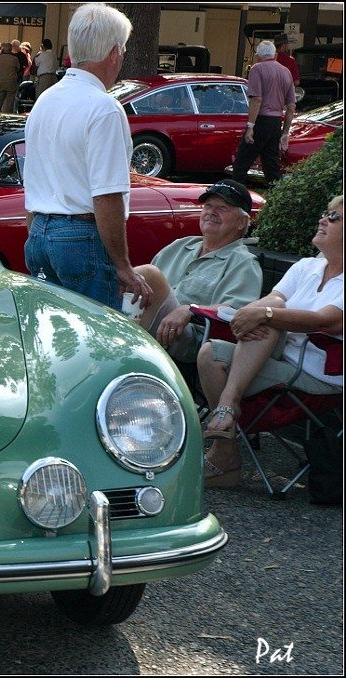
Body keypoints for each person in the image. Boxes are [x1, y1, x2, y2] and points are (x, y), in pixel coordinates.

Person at [196, 195, 343, 487]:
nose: (322, 219)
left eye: (334, 217)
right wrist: (255, 311)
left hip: (318, 373)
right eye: (324, 213)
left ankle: (227, 407)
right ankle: (227, 454)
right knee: (209, 354)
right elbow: (275, 298)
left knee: (272, 317)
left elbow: (327, 321)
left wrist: (263, 313)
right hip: (280, 356)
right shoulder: (306, 267)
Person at [23, 3, 151, 312]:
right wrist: (123, 265)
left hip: (40, 231)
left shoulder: (45, 101)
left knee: (51, 336)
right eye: (121, 50)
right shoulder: (104, 108)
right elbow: (106, 195)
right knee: (95, 343)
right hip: (79, 237)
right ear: (113, 53)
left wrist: (38, 229)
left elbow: (33, 179)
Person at [133, 180, 262, 363]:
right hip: (150, 323)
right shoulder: (180, 245)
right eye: (208, 206)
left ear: (242, 222)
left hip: (190, 338)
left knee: (148, 274)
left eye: (222, 208)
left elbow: (238, 312)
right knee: (130, 279)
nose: (211, 212)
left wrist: (191, 310)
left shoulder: (243, 263)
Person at [231, 40, 295, 186]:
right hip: (276, 121)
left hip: (261, 119)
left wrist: (250, 126)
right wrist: (285, 133)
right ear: (275, 54)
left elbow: (257, 100)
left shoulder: (257, 69)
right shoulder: (286, 71)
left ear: (259, 56)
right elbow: (291, 106)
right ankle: (278, 199)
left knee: (241, 162)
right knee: (271, 165)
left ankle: (234, 198)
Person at [0, 40, 22, 114]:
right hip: (11, 82)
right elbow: (18, 68)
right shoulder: (14, 59)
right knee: (9, 103)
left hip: (1, 81)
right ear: (11, 49)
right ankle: (7, 116)